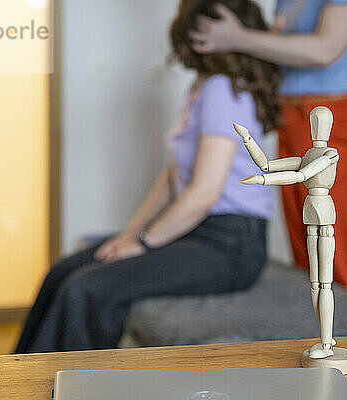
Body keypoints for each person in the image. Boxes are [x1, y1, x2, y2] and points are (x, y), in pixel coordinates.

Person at [15, 0, 281, 353]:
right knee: (63, 272)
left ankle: (55, 388)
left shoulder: (222, 89)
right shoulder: (201, 89)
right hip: (200, 233)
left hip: (230, 245)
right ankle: (14, 380)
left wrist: (142, 244)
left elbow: (202, 195)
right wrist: (128, 236)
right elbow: (174, 179)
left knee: (86, 290)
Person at [190, 0, 347, 301]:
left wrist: (236, 37)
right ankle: (322, 341)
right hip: (293, 121)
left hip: (337, 121)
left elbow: (325, 50)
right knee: (308, 254)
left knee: (340, 255)